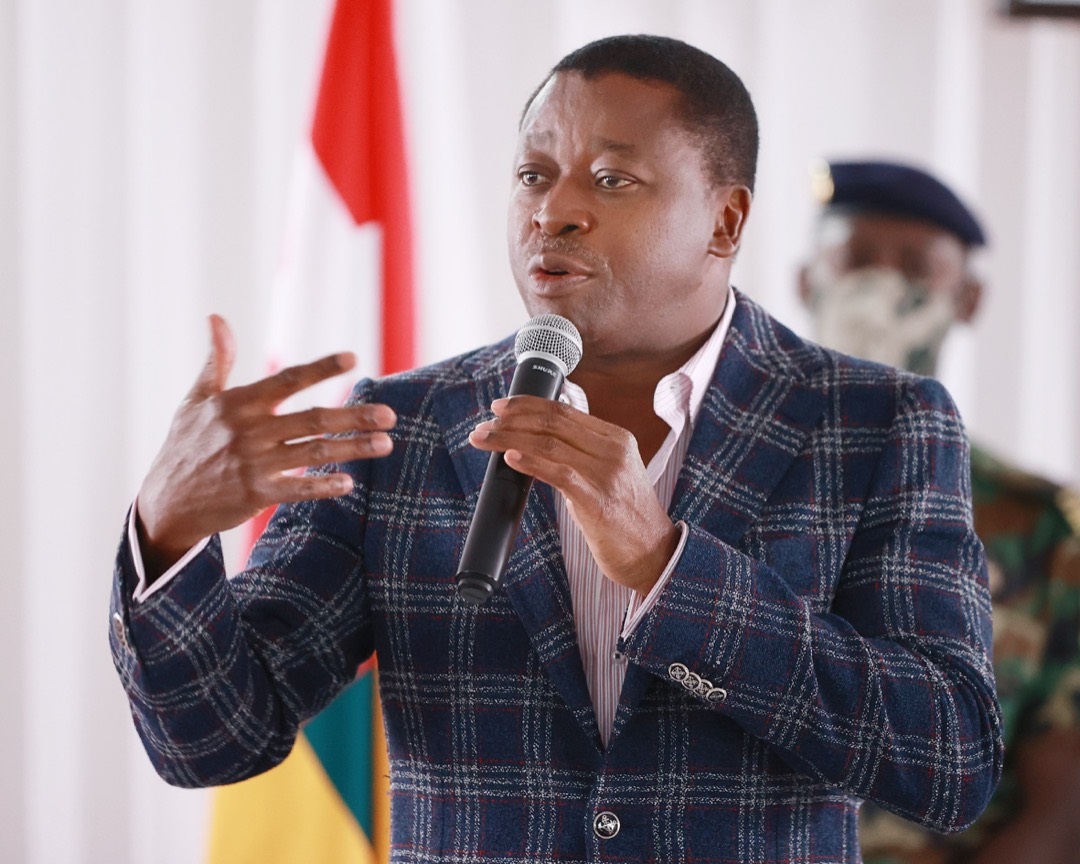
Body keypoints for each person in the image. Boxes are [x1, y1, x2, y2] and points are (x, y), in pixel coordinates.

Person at [110, 37, 1003, 863]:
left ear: (725, 222)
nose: (554, 210)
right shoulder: (404, 426)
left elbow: (950, 762)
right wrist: (167, 532)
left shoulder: (876, 423)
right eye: (533, 174)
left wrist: (666, 569)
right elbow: (213, 740)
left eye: (612, 179)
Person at [799, 159, 1080, 863]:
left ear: (969, 298)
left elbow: (1065, 797)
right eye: (857, 259)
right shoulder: (706, 481)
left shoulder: (1039, 528)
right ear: (807, 280)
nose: (882, 289)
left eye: (916, 268)